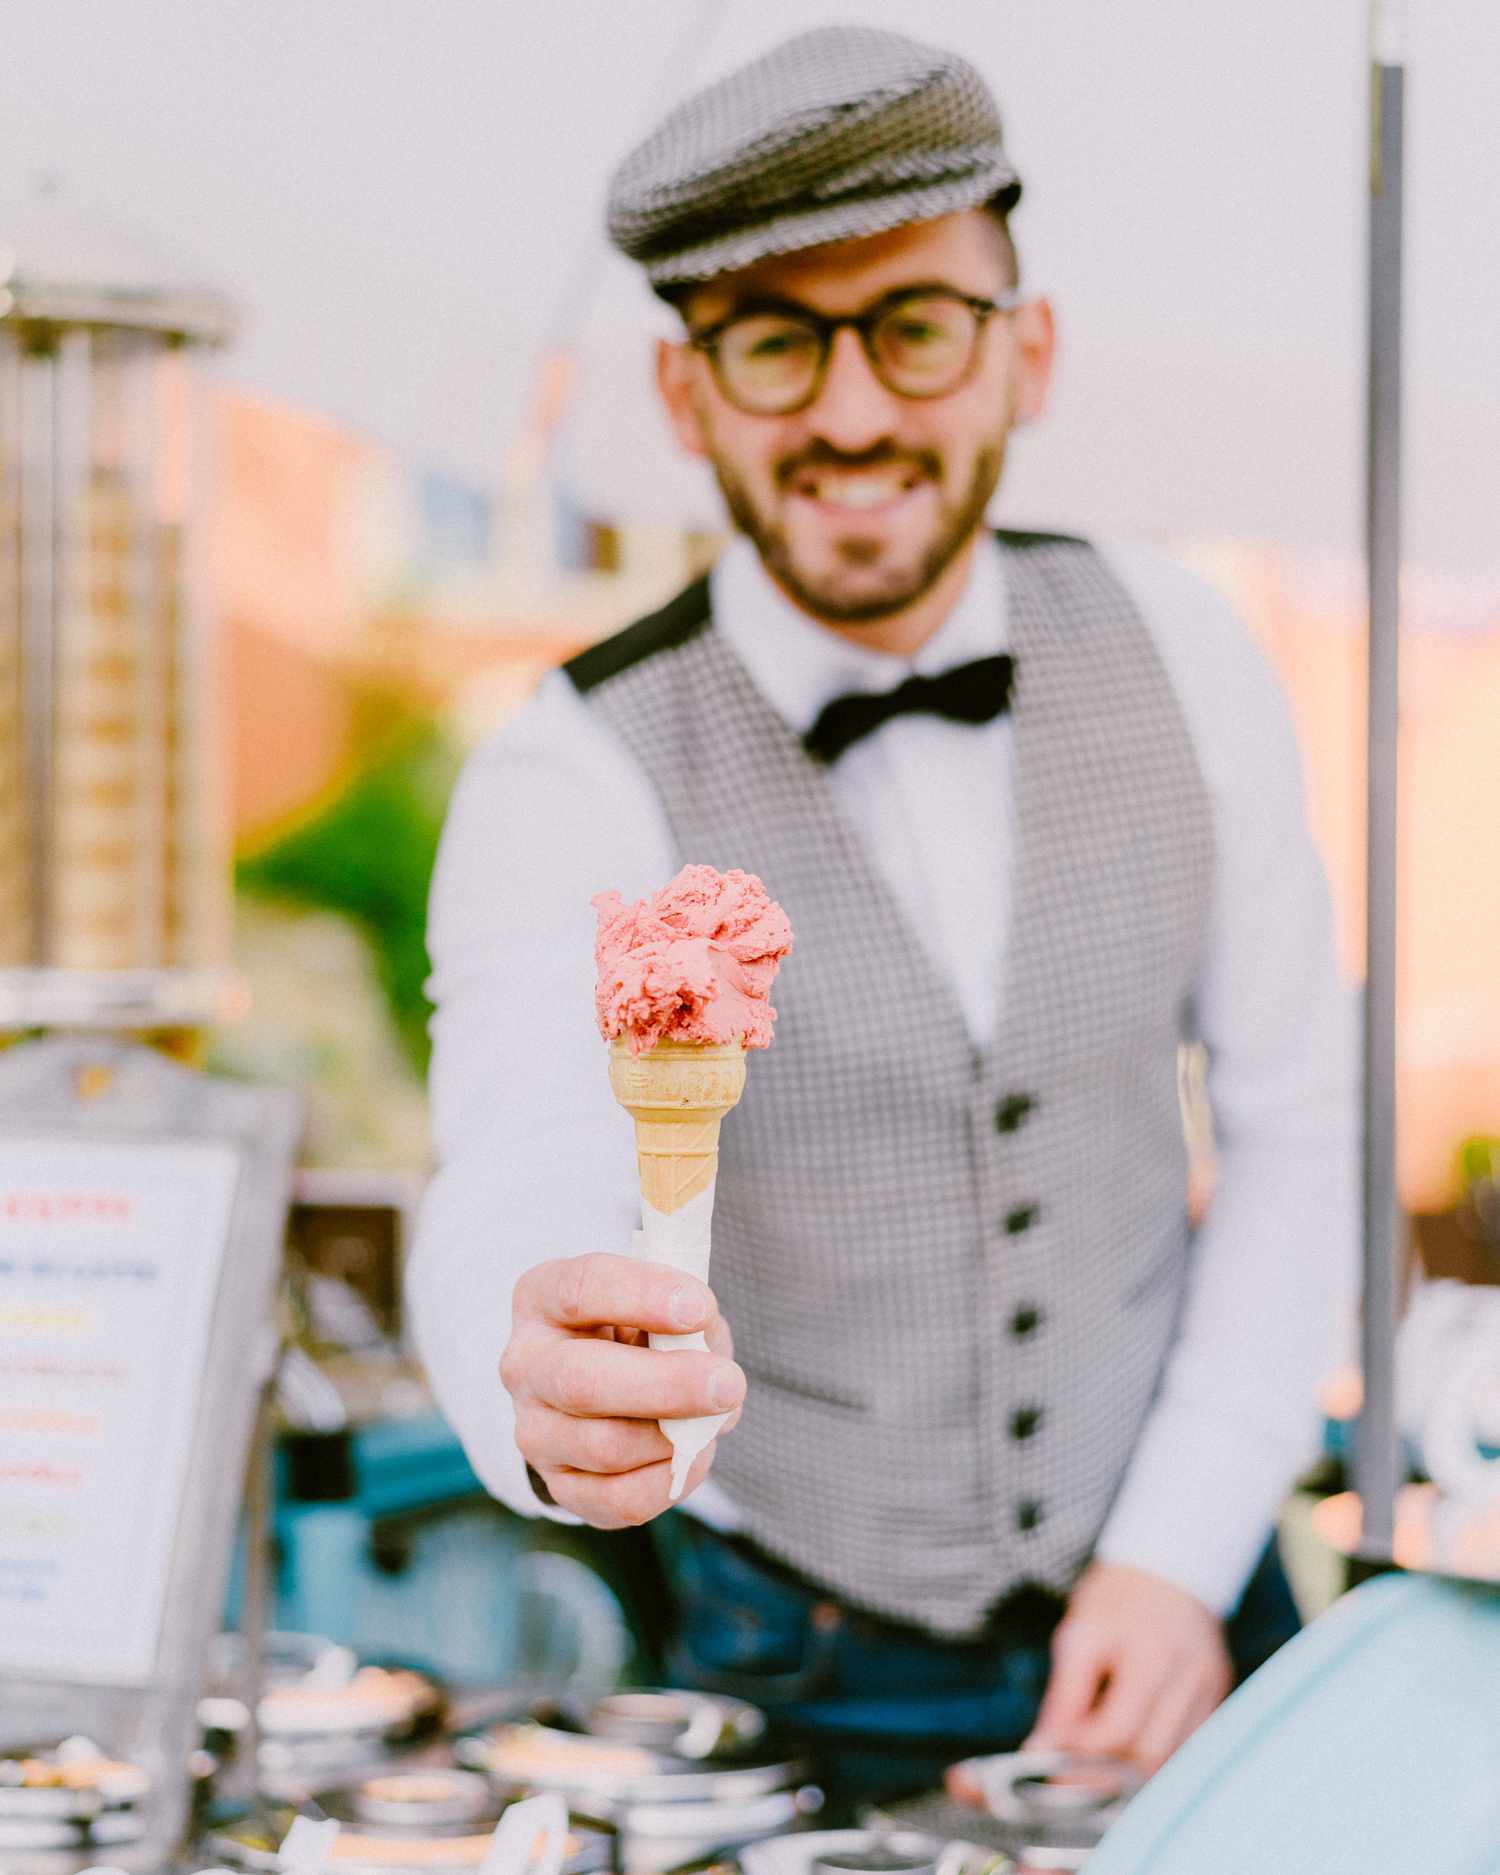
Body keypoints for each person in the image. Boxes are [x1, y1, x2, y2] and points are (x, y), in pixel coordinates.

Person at [407, 23, 1356, 1807]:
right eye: (775, 340)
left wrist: (1181, 1538)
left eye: (915, 326)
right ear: (686, 397)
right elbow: (514, 1170)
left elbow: (1306, 1121)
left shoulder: (1195, 656)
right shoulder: (567, 771)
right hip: (796, 1654)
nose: (852, 414)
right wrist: (526, 1370)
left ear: (1029, 355)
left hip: (1191, 1607)